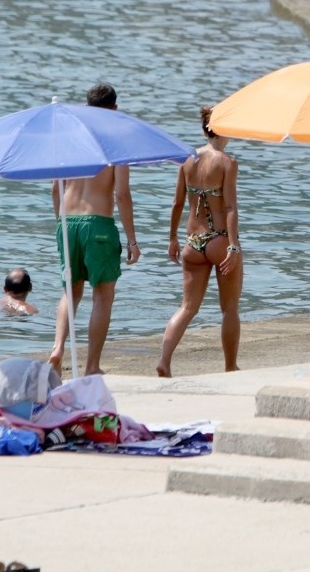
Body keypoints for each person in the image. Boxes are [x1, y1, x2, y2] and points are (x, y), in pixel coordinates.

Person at [49, 83, 138, 377]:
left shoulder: (70, 140)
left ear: (86, 108)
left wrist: (60, 224)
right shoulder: (116, 142)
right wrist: (132, 240)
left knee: (70, 291)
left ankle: (58, 348)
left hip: (67, 222)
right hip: (98, 223)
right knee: (103, 295)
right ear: (114, 109)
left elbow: (55, 188)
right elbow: (122, 195)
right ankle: (91, 366)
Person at [157, 106, 243, 378]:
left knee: (187, 307)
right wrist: (233, 245)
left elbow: (177, 203)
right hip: (219, 240)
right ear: (221, 129)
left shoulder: (187, 160)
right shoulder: (227, 162)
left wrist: (172, 238)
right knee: (229, 308)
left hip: (192, 242)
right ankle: (230, 366)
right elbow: (229, 207)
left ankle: (164, 360)